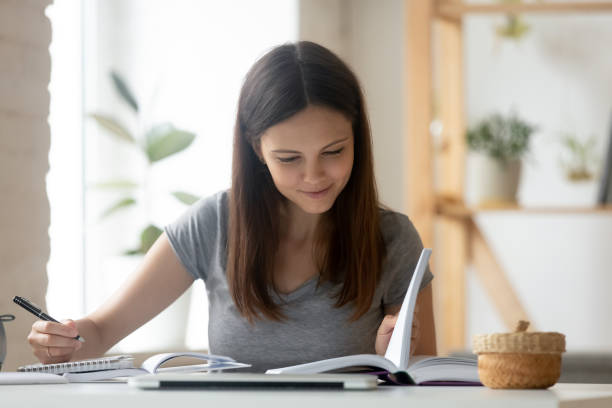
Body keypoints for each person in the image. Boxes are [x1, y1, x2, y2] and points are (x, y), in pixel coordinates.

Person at [27, 41, 436, 372]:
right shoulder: (211, 226)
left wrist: (390, 361)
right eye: (289, 159)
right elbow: (100, 331)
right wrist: (63, 341)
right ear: (257, 149)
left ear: (357, 139)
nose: (314, 176)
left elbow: (427, 382)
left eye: (333, 151)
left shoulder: (393, 240)